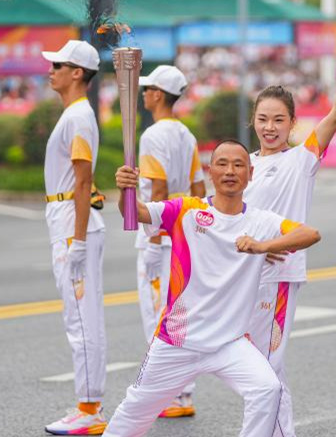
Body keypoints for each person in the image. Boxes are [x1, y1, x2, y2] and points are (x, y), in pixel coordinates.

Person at [105, 140, 322, 437]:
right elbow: (139, 213)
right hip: (178, 341)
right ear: (210, 172)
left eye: (238, 165)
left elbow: (309, 233)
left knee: (267, 388)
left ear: (250, 173)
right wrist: (125, 190)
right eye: (222, 164)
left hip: (228, 343)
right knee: (133, 412)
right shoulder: (187, 210)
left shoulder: (261, 221)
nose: (230, 171)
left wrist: (263, 246)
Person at [241, 41, 336, 437]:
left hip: (278, 277)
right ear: (253, 121)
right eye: (262, 119)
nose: (269, 128)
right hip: (245, 276)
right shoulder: (246, 166)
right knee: (256, 366)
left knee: (266, 367)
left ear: (292, 124)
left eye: (278, 120)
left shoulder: (300, 159)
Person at [40, 40, 109, 435]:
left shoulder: (78, 117)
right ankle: (89, 404)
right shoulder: (74, 114)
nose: (51, 71)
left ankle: (89, 409)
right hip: (67, 219)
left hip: (72, 222)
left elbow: (83, 181)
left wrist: (78, 241)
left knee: (81, 321)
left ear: (77, 73)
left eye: (58, 66)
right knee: (82, 319)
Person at [134, 64, 207, 418]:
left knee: (158, 316)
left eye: (147, 88)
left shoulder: (152, 136)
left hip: (160, 238)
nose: (143, 93)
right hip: (183, 237)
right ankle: (182, 393)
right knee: (178, 316)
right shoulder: (187, 135)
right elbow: (198, 191)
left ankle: (171, 395)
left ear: (159, 94)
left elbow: (158, 191)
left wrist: (152, 241)